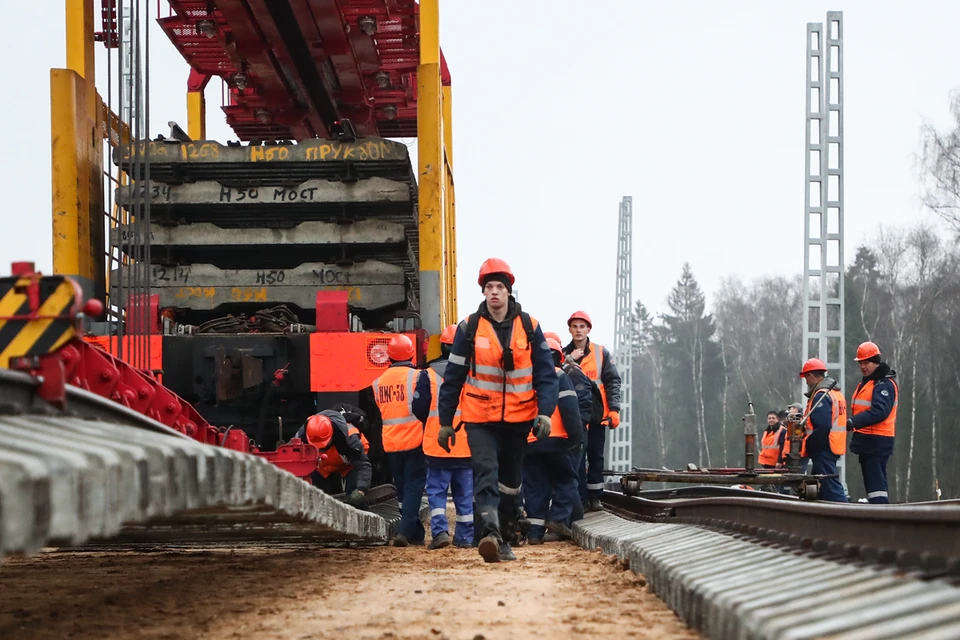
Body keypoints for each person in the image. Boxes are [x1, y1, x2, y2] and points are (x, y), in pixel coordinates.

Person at [437, 257, 559, 563]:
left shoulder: (530, 328)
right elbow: (453, 378)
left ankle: (504, 537)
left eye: (499, 287)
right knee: (486, 473)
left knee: (511, 483)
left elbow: (546, 374)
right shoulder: (469, 328)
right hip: (480, 417)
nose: (494, 292)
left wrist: (544, 412)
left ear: (509, 292)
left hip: (519, 419)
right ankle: (489, 533)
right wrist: (446, 422)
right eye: (489, 287)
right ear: (483, 292)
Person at [371, 334, 431, 546]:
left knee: (403, 489)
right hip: (414, 438)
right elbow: (424, 405)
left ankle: (416, 534)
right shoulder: (418, 377)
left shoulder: (378, 383)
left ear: (389, 357)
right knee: (415, 487)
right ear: (412, 354)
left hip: (391, 442)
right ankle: (405, 532)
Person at [523, 338, 584, 544]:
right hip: (557, 440)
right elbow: (569, 408)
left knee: (534, 488)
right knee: (566, 480)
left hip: (530, 442)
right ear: (559, 356)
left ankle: (534, 533)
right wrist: (577, 438)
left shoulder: (527, 378)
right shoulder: (560, 376)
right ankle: (557, 518)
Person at [563, 310, 621, 512]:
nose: (578, 330)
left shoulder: (601, 353)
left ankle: (595, 497)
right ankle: (580, 500)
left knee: (596, 457)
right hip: (574, 417)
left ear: (588, 329)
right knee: (577, 461)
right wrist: (569, 359)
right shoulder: (563, 355)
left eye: (582, 326)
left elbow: (612, 381)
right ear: (569, 329)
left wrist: (614, 409)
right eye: (574, 326)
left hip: (596, 415)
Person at [423, 324, 474, 549]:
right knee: (465, 495)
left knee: (437, 493)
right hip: (466, 445)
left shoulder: (428, 375)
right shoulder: (472, 375)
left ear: (442, 346)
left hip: (437, 445)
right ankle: (464, 538)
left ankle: (440, 533)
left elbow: (419, 407)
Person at [847, 341, 898, 504]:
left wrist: (852, 422)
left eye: (866, 362)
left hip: (877, 441)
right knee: (874, 483)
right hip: (869, 441)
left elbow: (879, 411)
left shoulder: (883, 384)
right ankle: (879, 514)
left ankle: (880, 516)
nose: (863, 366)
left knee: (876, 485)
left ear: (876, 362)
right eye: (860, 362)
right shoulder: (869, 382)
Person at [297, 408, 372, 508]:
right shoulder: (304, 432)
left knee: (355, 497)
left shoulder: (350, 437)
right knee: (314, 495)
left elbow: (363, 465)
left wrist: (361, 490)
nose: (320, 447)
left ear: (331, 434)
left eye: (323, 444)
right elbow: (292, 453)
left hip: (350, 463)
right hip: (325, 464)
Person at [799, 358, 848, 502]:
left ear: (811, 375)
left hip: (824, 448)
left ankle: (847, 517)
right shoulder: (835, 393)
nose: (806, 382)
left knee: (831, 487)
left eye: (806, 378)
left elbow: (822, 426)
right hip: (833, 445)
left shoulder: (821, 395)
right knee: (821, 487)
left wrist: (810, 444)